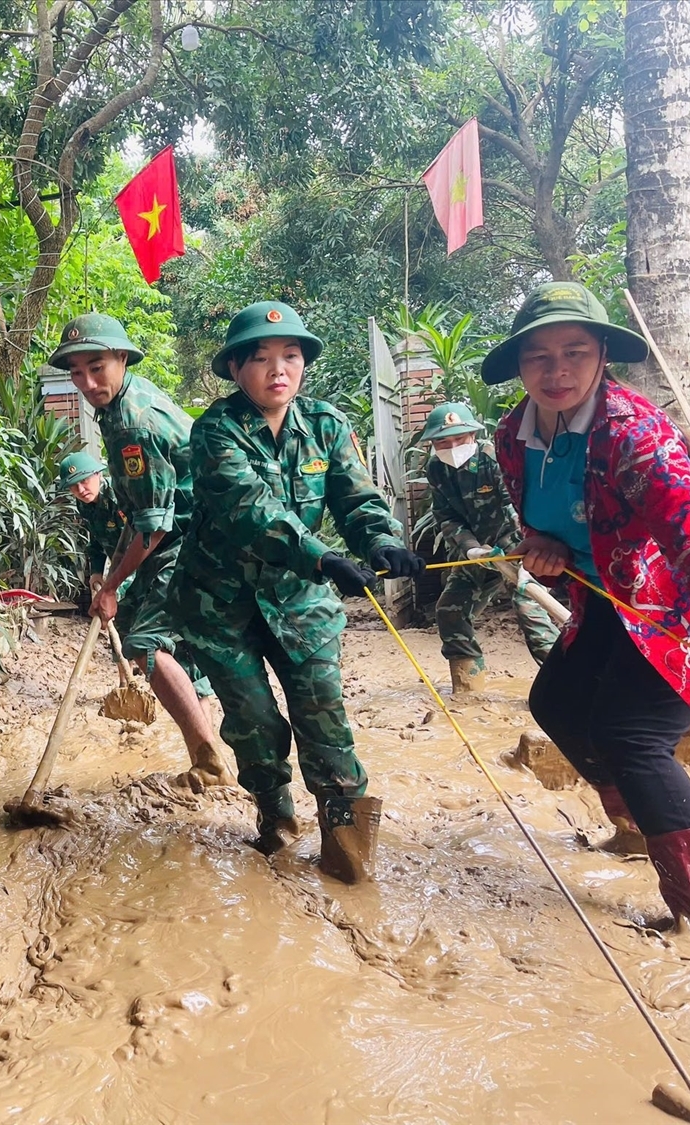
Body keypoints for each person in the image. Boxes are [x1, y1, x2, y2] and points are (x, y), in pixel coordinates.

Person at [483, 281, 690, 928]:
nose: (557, 372)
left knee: (631, 734)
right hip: (608, 598)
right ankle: (636, 828)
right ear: (519, 365)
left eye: (574, 352)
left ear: (601, 355)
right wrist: (540, 544)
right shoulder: (512, 436)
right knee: (556, 703)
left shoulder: (636, 435)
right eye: (539, 357)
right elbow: (545, 520)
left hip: (687, 601)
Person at [171, 301, 423, 880]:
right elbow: (250, 512)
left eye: (290, 356)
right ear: (236, 369)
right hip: (220, 605)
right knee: (255, 720)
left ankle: (346, 845)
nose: (278, 369)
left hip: (300, 601)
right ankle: (276, 819)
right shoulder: (214, 430)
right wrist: (325, 558)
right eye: (260, 358)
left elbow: (356, 498)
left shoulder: (327, 425)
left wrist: (381, 541)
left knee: (323, 714)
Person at [49, 314, 235, 792]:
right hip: (180, 534)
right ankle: (205, 739)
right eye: (76, 373)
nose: (88, 383)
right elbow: (137, 518)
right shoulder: (121, 405)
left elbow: (153, 525)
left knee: (143, 644)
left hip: (196, 538)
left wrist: (111, 587)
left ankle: (210, 762)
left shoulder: (133, 423)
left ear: (122, 358)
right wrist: (108, 578)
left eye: (97, 368)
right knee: (148, 630)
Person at [420, 401, 559, 692]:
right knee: (450, 609)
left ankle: (566, 685)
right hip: (479, 552)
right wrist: (471, 549)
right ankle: (468, 688)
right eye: (443, 442)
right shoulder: (436, 469)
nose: (452, 447)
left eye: (460, 439)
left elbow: (516, 507)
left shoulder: (493, 459)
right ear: (433, 444)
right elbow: (447, 515)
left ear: (473, 435)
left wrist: (527, 557)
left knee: (530, 609)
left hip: (516, 545)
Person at [57, 450, 127, 594]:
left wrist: (114, 587)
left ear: (98, 474)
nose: (80, 490)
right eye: (73, 485)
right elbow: (98, 539)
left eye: (84, 480)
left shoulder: (121, 496)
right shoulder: (84, 505)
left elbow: (139, 544)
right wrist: (96, 571)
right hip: (120, 572)